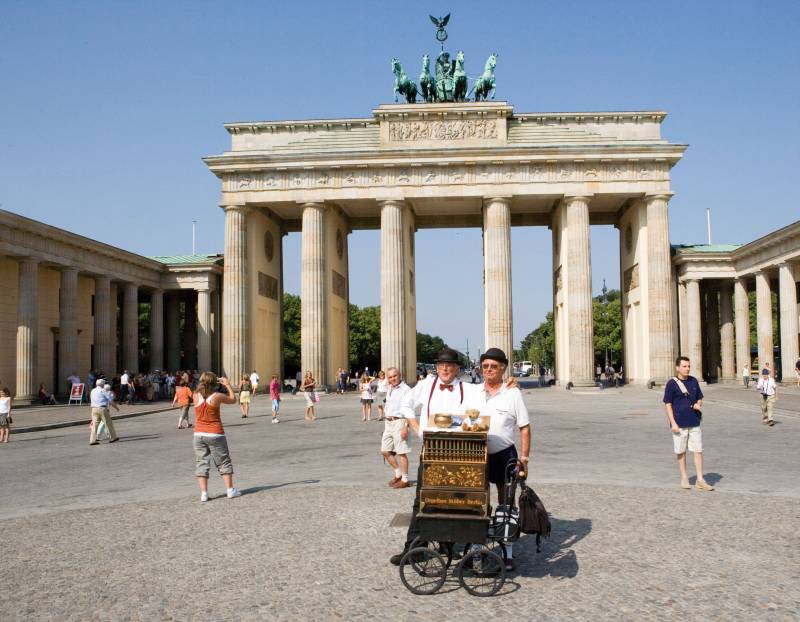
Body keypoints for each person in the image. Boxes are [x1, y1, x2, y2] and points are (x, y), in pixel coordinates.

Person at [391, 347, 479, 565]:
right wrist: (416, 428)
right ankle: (414, 548)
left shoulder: (468, 389)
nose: (445, 369)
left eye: (449, 366)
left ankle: (448, 545)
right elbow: (405, 405)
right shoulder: (426, 385)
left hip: (457, 452)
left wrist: (510, 385)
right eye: (441, 365)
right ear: (437, 367)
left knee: (452, 500)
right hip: (431, 450)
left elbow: (486, 400)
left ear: (457, 369)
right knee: (423, 499)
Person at [663, 356, 713, 491]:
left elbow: (700, 398)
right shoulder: (671, 384)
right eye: (684, 366)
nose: (687, 368)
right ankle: (684, 478)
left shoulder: (694, 381)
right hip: (679, 423)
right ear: (677, 368)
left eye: (689, 366)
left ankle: (700, 479)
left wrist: (698, 404)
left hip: (694, 422)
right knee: (681, 451)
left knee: (698, 450)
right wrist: (673, 423)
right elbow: (668, 404)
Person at [193, 372, 240, 501]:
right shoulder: (217, 396)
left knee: (201, 463)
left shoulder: (195, 395)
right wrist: (227, 385)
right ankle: (230, 490)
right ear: (215, 383)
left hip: (198, 434)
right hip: (215, 433)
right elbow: (233, 399)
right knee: (223, 461)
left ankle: (204, 494)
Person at [381, 367, 412, 489]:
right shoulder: (390, 387)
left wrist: (406, 427)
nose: (392, 379)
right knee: (385, 451)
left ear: (400, 375)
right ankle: (398, 473)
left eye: (395, 376)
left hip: (400, 421)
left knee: (401, 452)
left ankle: (405, 479)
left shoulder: (406, 390)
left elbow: (410, 410)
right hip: (389, 422)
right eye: (390, 377)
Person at [89, 379, 119, 445]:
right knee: (108, 423)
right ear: (102, 384)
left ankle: (92, 440)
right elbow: (110, 401)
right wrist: (116, 407)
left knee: (94, 425)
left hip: (94, 409)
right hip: (102, 408)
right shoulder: (103, 390)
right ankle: (112, 437)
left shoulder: (93, 390)